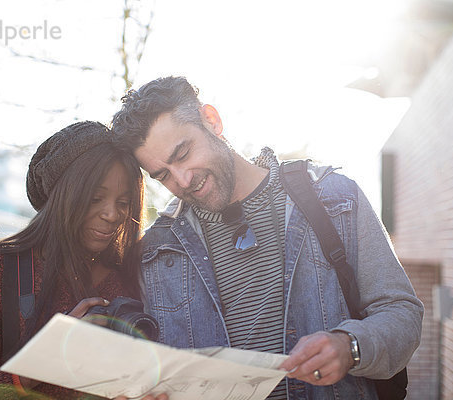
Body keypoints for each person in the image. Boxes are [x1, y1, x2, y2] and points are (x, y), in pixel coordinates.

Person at [110, 76, 424, 399]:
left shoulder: (336, 200)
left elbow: (403, 314)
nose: (183, 179)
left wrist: (350, 346)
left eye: (183, 153)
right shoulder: (154, 253)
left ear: (212, 120)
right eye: (163, 175)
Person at [0, 121, 166, 400]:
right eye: (95, 198)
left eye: (123, 203)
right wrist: (46, 359)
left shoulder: (135, 274)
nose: (112, 214)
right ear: (62, 196)